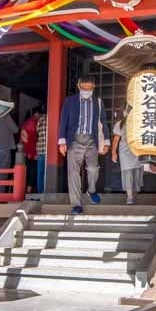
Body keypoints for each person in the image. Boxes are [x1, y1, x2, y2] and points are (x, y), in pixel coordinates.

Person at [58, 75, 108, 213]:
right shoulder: (70, 101)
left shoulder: (98, 102)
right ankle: (76, 204)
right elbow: (63, 121)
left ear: (93, 87)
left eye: (89, 88)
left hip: (92, 140)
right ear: (79, 86)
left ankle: (91, 190)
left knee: (93, 168)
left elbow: (103, 122)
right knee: (73, 173)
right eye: (84, 87)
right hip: (74, 140)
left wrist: (107, 142)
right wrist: (62, 141)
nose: (86, 90)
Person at [110, 108, 143, 205]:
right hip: (125, 152)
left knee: (136, 173)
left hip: (136, 151)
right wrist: (113, 153)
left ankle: (134, 195)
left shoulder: (139, 123)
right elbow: (116, 140)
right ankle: (130, 197)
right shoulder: (120, 124)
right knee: (129, 174)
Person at [20, 108, 41, 193]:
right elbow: (32, 139)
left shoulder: (26, 123)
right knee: (32, 171)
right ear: (37, 114)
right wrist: (34, 153)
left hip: (25, 150)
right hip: (31, 150)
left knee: (27, 170)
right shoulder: (33, 123)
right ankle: (29, 190)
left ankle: (25, 190)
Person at [34, 109, 48, 195]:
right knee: (47, 172)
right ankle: (46, 191)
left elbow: (37, 131)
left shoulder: (39, 120)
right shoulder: (50, 119)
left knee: (40, 172)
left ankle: (40, 192)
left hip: (39, 149)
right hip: (47, 150)